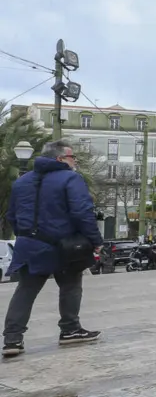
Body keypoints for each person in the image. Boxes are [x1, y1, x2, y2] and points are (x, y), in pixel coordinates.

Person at [2, 140, 104, 358]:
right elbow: (82, 212)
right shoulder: (71, 178)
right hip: (63, 246)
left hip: (29, 246)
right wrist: (95, 240)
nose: (74, 161)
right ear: (60, 158)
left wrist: (27, 235)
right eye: (72, 157)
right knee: (71, 286)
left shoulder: (22, 181)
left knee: (25, 290)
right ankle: (70, 329)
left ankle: (12, 339)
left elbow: (12, 215)